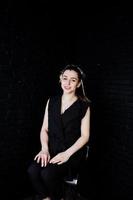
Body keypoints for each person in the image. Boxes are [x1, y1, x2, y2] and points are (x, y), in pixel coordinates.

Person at [27, 64, 91, 200]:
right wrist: (44, 149)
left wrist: (67, 154)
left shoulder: (84, 106)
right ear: (60, 79)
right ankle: (47, 198)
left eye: (73, 80)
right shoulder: (52, 101)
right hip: (52, 148)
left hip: (71, 152)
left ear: (79, 83)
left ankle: (62, 196)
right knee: (32, 171)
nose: (67, 83)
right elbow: (44, 129)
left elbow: (85, 136)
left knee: (47, 174)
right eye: (65, 78)